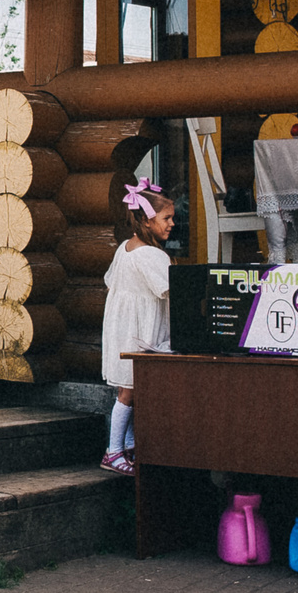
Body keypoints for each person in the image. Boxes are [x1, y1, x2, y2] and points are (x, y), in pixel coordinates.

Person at [99, 178, 175, 474]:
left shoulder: (125, 248)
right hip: (139, 332)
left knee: (132, 389)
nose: (171, 224)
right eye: (166, 218)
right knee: (129, 392)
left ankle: (129, 444)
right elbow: (170, 290)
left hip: (122, 327)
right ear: (146, 219)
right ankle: (113, 451)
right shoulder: (152, 255)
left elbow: (110, 282)